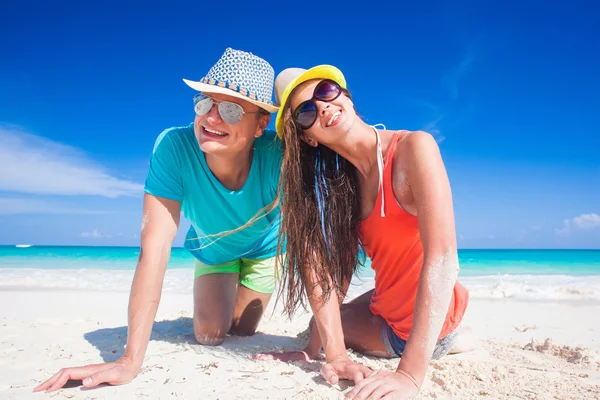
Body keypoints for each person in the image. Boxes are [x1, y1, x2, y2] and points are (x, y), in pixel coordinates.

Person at [35, 48, 282, 393]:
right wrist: (129, 360)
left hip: (265, 247)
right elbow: (155, 249)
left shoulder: (278, 155)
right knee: (210, 335)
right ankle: (219, 291)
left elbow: (318, 236)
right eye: (204, 104)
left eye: (229, 109)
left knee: (243, 331)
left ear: (260, 124)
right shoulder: (173, 147)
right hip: (215, 250)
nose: (211, 118)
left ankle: (247, 288)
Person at [255, 66, 475, 399]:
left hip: (414, 325)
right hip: (394, 305)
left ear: (346, 96)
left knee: (325, 326)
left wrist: (408, 376)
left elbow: (443, 259)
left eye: (326, 91)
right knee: (325, 323)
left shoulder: (414, 148)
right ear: (307, 137)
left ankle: (448, 341)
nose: (323, 106)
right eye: (307, 112)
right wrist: (317, 351)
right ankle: (453, 336)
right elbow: (339, 275)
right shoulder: (346, 189)